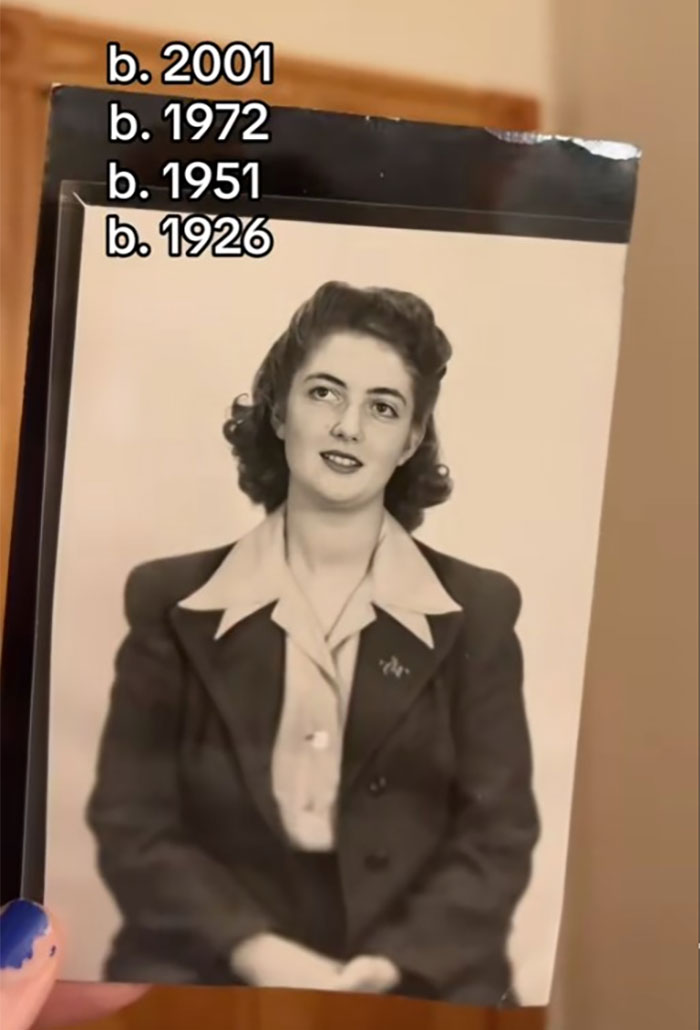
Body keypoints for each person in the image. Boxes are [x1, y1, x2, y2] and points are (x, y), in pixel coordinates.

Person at [86, 281, 539, 1005]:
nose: (349, 428)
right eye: (324, 394)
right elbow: (132, 823)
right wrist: (256, 951)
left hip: (416, 961)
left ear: (414, 437)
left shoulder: (476, 611)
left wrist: (388, 968)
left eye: (383, 408)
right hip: (216, 948)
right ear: (278, 406)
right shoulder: (170, 603)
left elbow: (499, 835)